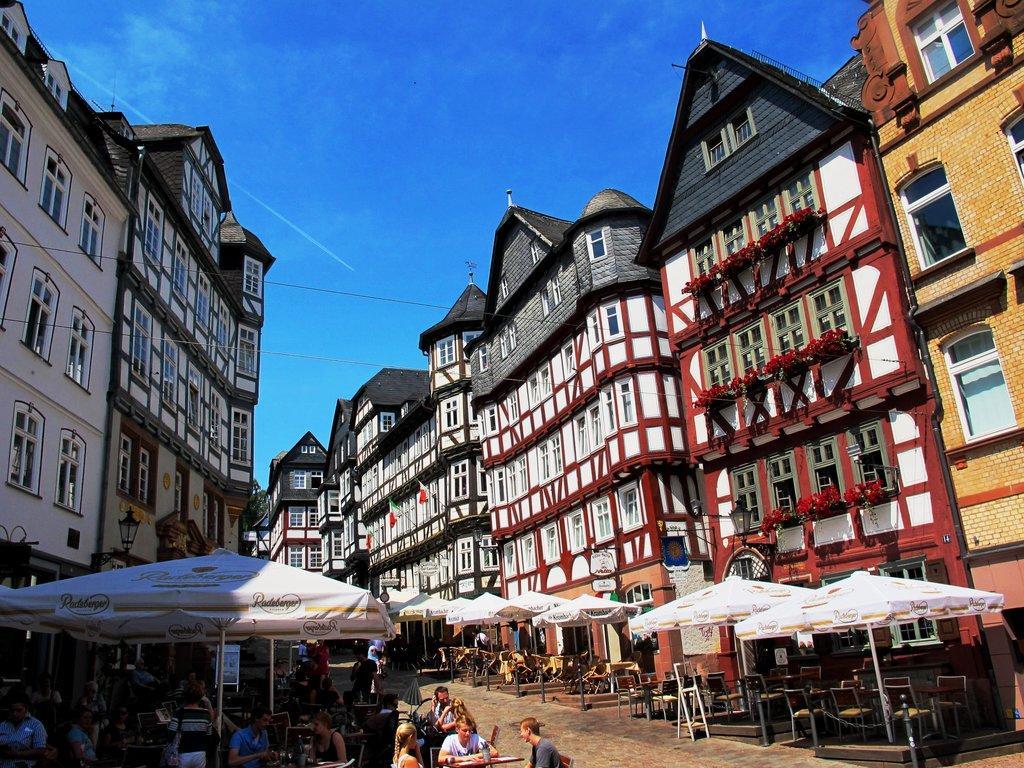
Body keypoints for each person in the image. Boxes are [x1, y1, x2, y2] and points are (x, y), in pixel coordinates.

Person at [169, 683, 212, 768]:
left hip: (182, 754)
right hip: (200, 754)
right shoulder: (206, 714)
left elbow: (170, 734)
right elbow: (209, 735)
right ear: (200, 697)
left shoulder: (179, 712)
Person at [0, 695, 50, 768]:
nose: (14, 714)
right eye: (12, 710)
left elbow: (40, 750)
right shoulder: (3, 725)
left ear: (26, 709)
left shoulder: (35, 725)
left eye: (19, 710)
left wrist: (18, 754)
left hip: (26, 764)